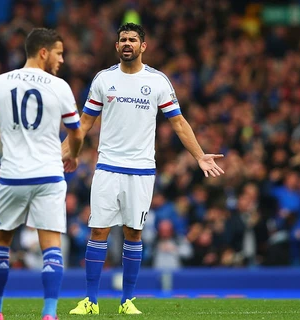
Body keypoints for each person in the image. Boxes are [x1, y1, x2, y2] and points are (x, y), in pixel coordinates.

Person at [64, 23, 225, 315]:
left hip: (141, 170)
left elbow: (178, 122)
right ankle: (91, 301)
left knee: (133, 233)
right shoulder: (104, 79)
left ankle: (127, 301)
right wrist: (60, 154)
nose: (127, 44)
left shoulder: (159, 81)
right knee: (98, 230)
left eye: (133, 40)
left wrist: (200, 155)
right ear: (117, 46)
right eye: (123, 39)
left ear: (143, 46)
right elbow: (84, 123)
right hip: (108, 167)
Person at [0, 28, 84, 320]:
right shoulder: (60, 87)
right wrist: (73, 154)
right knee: (51, 247)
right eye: (59, 52)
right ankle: (49, 313)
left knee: (0, 244)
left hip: (12, 176)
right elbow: (77, 133)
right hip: (50, 176)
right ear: (43, 52)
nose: (62, 59)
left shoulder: (0, 83)